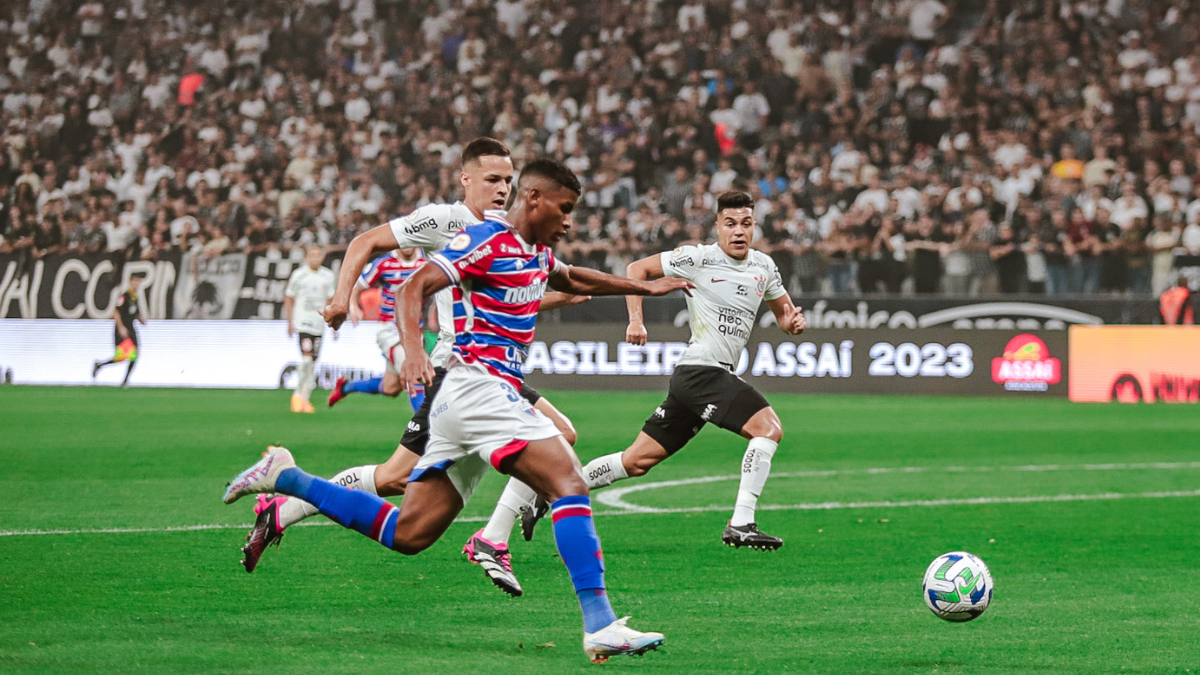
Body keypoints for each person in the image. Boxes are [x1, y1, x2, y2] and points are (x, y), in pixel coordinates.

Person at [223, 158, 691, 662]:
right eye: (565, 208)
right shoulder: (484, 239)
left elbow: (575, 277)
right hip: (475, 387)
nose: (569, 221)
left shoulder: (535, 252)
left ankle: (287, 478)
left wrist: (644, 287)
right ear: (535, 200)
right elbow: (411, 287)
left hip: (474, 399)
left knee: (410, 534)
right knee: (569, 480)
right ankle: (598, 622)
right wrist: (414, 353)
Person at [238, 139, 583, 596]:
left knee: (399, 477)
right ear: (466, 180)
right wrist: (343, 296)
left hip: (493, 374)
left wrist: (565, 292)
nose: (502, 189)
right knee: (397, 478)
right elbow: (367, 241)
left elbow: (517, 295)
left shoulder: (513, 231)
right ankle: (489, 540)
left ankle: (283, 506)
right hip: (451, 374)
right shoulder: (445, 220)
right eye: (492, 180)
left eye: (508, 180)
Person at [524, 191, 806, 550]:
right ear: (718, 226)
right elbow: (636, 270)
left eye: (746, 224)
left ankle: (549, 492)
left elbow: (784, 316)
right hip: (702, 372)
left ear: (755, 227)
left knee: (636, 461)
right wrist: (636, 321)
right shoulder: (698, 257)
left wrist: (792, 323)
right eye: (731, 224)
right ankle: (742, 522)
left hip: (698, 379)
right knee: (768, 428)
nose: (739, 231)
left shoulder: (763, 267)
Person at [326, 246, 428, 411]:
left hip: (415, 331)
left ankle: (346, 387)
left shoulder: (427, 261)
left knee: (390, 388)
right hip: (390, 329)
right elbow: (357, 287)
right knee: (414, 375)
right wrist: (354, 306)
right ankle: (425, 431)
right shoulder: (384, 263)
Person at [284, 246, 336, 413]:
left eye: (318, 255)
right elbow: (289, 298)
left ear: (322, 257)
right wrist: (290, 321)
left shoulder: (328, 276)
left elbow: (330, 300)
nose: (315, 258)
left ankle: (305, 400)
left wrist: (333, 323)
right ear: (306, 257)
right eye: (312, 255)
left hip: (318, 324)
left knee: (313, 363)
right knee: (306, 360)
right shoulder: (299, 275)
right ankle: (297, 396)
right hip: (303, 322)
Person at [92, 273, 147, 386]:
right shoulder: (124, 296)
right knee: (122, 356)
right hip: (123, 329)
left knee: (134, 354)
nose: (137, 284)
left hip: (131, 328)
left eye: (138, 282)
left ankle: (125, 380)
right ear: (130, 282)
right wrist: (120, 327)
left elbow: (132, 312)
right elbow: (115, 312)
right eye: (135, 281)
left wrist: (140, 319)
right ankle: (100, 365)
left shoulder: (134, 297)